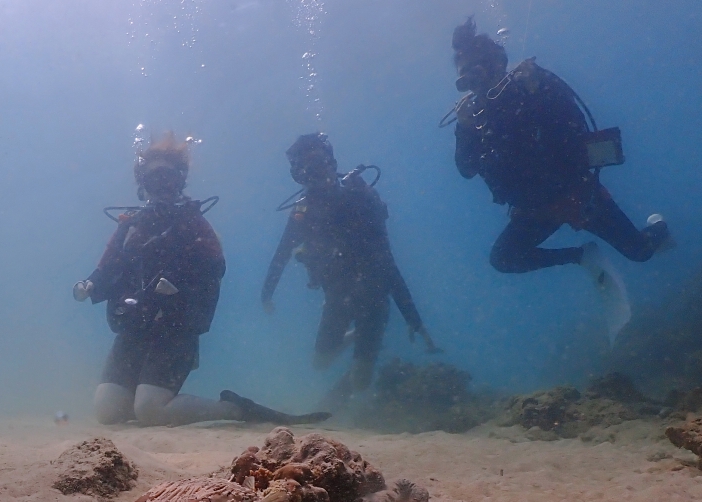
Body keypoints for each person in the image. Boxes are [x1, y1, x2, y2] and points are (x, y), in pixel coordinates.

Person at [75, 132, 328, 427]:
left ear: (180, 181)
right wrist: (90, 284)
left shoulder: (193, 224)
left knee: (150, 410)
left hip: (175, 329)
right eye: (153, 179)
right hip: (134, 328)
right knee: (108, 411)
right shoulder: (130, 226)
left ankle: (234, 409)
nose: (161, 187)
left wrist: (179, 286)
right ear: (142, 184)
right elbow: (107, 266)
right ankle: (149, 398)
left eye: (168, 179)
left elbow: (214, 268)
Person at [449, 18, 673, 337]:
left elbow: (575, 126)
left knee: (640, 252)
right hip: (533, 211)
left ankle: (659, 228)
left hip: (578, 196)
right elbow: (466, 169)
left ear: (497, 63)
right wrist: (464, 129)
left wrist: (540, 89)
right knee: (503, 258)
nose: (474, 84)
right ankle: (581, 256)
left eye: (477, 71)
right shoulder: (474, 118)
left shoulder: (531, 85)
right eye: (465, 79)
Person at [261, 133, 438, 409]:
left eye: (317, 163)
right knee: (320, 363)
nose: (314, 173)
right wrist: (266, 294)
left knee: (361, 382)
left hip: (374, 297)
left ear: (331, 162)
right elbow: (282, 253)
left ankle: (354, 376)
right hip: (337, 297)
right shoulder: (303, 210)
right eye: (305, 168)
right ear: (298, 175)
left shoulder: (360, 198)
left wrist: (412, 317)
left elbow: (387, 262)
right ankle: (355, 340)